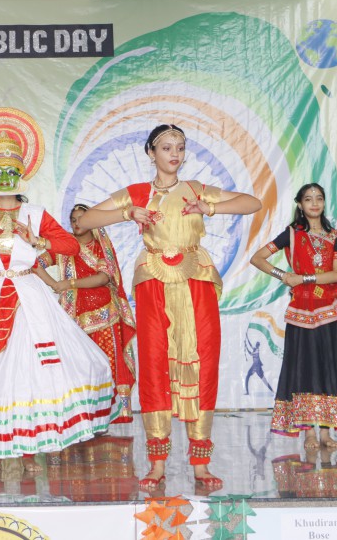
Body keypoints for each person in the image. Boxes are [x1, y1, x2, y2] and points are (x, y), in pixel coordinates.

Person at [76, 123, 262, 491]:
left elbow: (251, 203)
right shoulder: (137, 193)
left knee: (202, 360)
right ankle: (157, 463)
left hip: (196, 280)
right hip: (154, 281)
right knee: (155, 362)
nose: (174, 154)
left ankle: (201, 464)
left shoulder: (195, 189)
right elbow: (85, 220)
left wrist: (209, 206)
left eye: (180, 147)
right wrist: (128, 214)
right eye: (166, 147)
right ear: (151, 153)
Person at [0, 108, 118, 474]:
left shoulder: (36, 213)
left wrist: (37, 240)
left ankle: (32, 444)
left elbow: (69, 245)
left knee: (31, 367)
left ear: (22, 174)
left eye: (11, 171)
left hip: (28, 295)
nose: (5, 178)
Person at [249, 183, 337, 451]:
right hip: (301, 312)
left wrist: (303, 279)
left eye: (319, 198)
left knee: (328, 368)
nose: (314, 203)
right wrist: (283, 275)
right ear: (300, 204)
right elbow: (258, 258)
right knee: (305, 369)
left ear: (324, 203)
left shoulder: (335, 236)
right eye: (308, 199)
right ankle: (309, 433)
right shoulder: (291, 234)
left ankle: (325, 432)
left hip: (331, 311)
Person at [36, 203, 137, 423]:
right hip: (73, 316)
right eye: (73, 220)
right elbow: (36, 263)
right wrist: (54, 284)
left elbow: (103, 277)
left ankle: (112, 412)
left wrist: (68, 283)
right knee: (78, 365)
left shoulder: (100, 246)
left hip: (104, 314)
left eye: (82, 218)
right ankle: (83, 413)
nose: (77, 223)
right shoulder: (64, 246)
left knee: (107, 362)